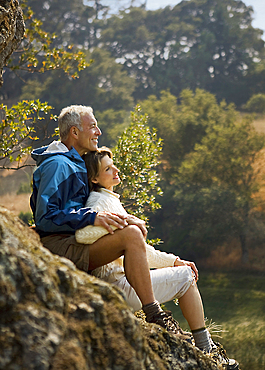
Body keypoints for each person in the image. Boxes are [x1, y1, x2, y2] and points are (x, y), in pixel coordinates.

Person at [30, 105, 238, 369]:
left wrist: (109, 219)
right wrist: (92, 218)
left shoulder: (72, 163)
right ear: (74, 131)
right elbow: (46, 215)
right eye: (92, 126)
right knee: (131, 236)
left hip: (72, 244)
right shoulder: (58, 165)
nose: (99, 131)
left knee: (131, 232)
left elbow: (71, 209)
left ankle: (161, 318)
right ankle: (155, 315)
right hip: (62, 246)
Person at [75, 147, 239, 370]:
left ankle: (204, 345)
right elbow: (82, 235)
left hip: (125, 284)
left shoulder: (109, 199)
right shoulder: (97, 202)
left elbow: (142, 251)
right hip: (117, 288)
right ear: (94, 178)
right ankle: (207, 350)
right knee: (186, 276)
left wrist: (174, 260)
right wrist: (126, 223)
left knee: (183, 271)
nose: (115, 169)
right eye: (107, 168)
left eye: (113, 164)